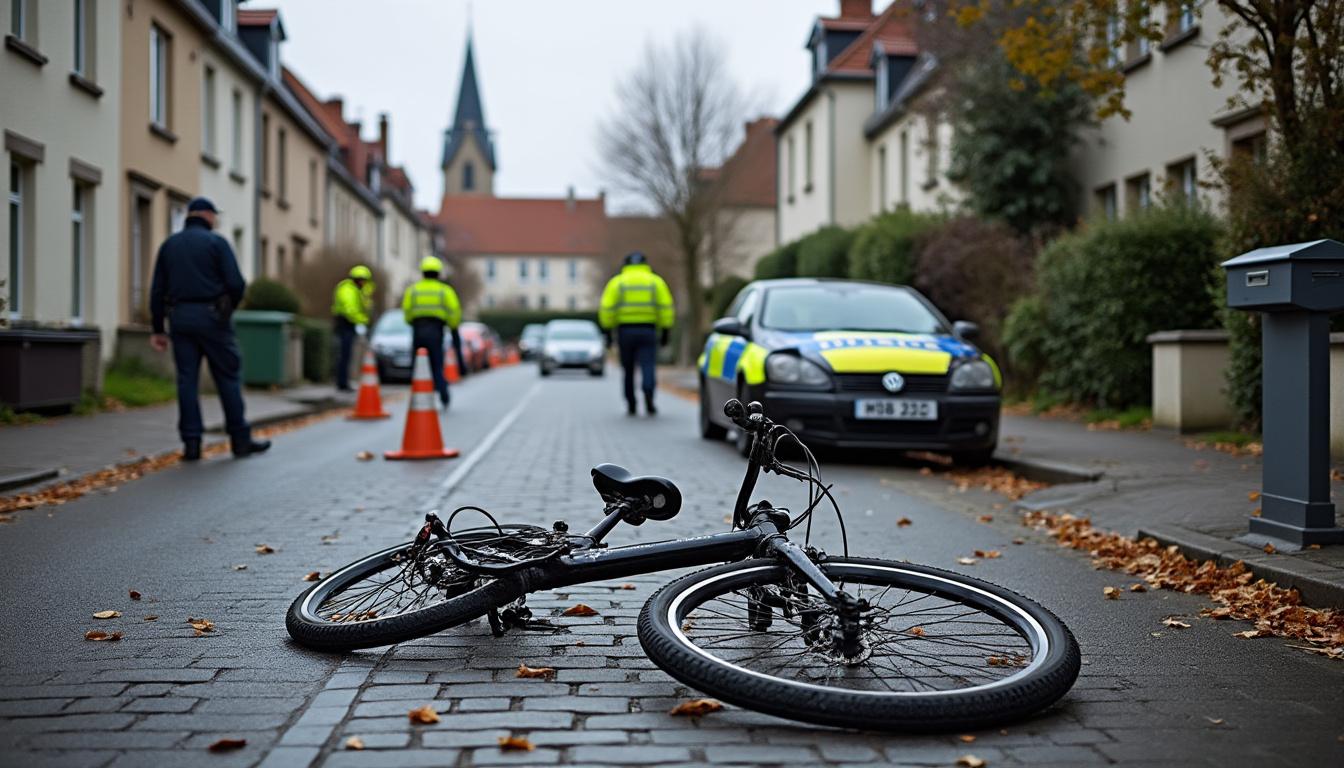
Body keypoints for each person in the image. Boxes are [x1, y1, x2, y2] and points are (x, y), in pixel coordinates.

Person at [148, 197, 270, 460]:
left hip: (179, 318)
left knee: (187, 381)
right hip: (213, 319)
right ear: (207, 215)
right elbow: (236, 284)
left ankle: (192, 444)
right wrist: (226, 310)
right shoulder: (217, 243)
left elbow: (157, 290)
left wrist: (158, 329)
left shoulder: (170, 246)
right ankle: (240, 440)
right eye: (215, 216)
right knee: (227, 377)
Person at [598, 251, 675, 416]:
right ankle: (648, 393)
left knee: (628, 369)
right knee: (648, 365)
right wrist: (666, 330)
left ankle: (631, 402)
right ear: (645, 264)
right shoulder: (655, 282)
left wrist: (607, 331)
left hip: (625, 331)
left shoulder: (618, 283)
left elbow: (606, 308)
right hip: (648, 330)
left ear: (626, 264)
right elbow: (666, 307)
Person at [400, 256, 462, 409]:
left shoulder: (413, 290)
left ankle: (418, 399)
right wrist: (451, 325)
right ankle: (443, 395)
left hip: (418, 331)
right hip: (436, 331)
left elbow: (406, 311)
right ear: (438, 273)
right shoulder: (444, 291)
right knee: (436, 366)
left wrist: (412, 322)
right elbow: (454, 311)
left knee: (418, 366)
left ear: (423, 272)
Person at [331, 265, 374, 392]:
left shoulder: (356, 291)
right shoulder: (348, 290)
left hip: (349, 325)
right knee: (344, 354)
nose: (364, 283)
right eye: (362, 280)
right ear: (357, 280)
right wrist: (362, 320)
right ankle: (342, 383)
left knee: (347, 354)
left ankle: (344, 382)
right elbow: (350, 310)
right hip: (345, 325)